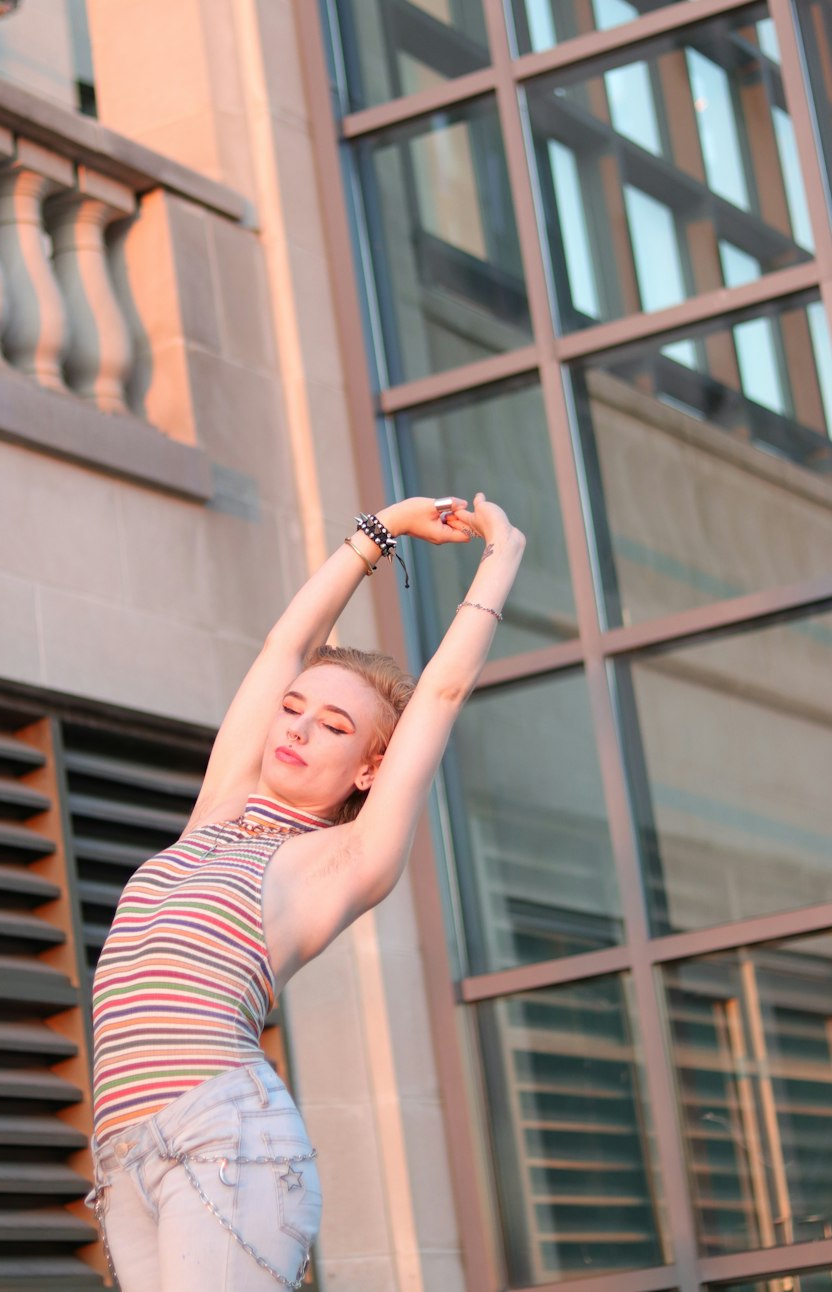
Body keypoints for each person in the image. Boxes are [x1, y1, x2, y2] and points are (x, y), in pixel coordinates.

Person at [87, 493, 525, 1290]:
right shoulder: (220, 806)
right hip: (124, 1152)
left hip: (223, 1140)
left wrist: (501, 558)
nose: (294, 728)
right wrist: (379, 530)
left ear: (368, 769)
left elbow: (441, 696)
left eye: (332, 725)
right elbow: (285, 642)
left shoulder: (343, 859)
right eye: (294, 710)